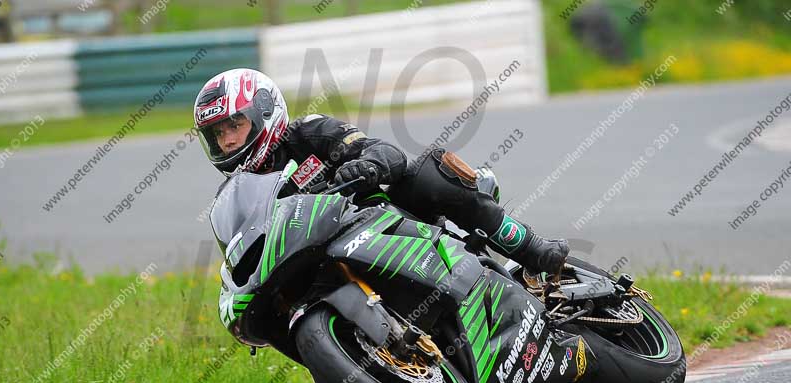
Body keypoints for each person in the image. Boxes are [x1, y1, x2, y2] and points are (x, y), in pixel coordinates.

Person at [194, 68, 569, 274]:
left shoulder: (308, 131)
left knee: (427, 171)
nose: (227, 141)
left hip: (388, 219)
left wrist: (364, 165)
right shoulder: (240, 194)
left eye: (234, 125)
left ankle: (529, 247)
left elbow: (384, 151)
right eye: (218, 133)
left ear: (263, 112)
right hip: (328, 257)